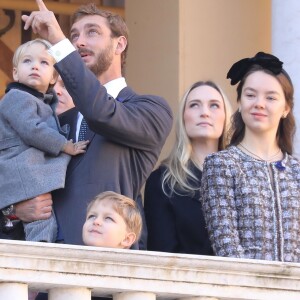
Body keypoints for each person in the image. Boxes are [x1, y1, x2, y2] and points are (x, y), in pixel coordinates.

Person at [18, 0, 172, 246]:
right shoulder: (56, 120)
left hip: (109, 266)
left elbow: (99, 111)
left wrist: (58, 41)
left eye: (92, 32)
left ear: (119, 44)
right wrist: (15, 209)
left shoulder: (150, 109)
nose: (79, 42)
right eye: (74, 35)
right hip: (51, 265)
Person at [201, 52, 300, 262]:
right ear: (239, 102)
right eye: (250, 95)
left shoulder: (297, 171)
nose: (259, 104)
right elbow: (227, 247)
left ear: (286, 108)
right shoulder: (221, 165)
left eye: (271, 97)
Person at [0, 38, 88, 242]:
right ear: (15, 73)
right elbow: (33, 130)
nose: (35, 66)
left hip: (25, 170)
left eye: (43, 63)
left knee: (42, 220)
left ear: (53, 78)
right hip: (21, 167)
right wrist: (65, 145)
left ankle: (39, 249)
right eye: (27, 61)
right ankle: (39, 252)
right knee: (42, 219)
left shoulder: (38, 101)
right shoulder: (17, 97)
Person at [144, 81, 232, 255]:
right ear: (184, 117)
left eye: (214, 105)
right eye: (194, 105)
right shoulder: (161, 182)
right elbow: (162, 255)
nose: (205, 113)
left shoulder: (242, 177)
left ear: (226, 116)